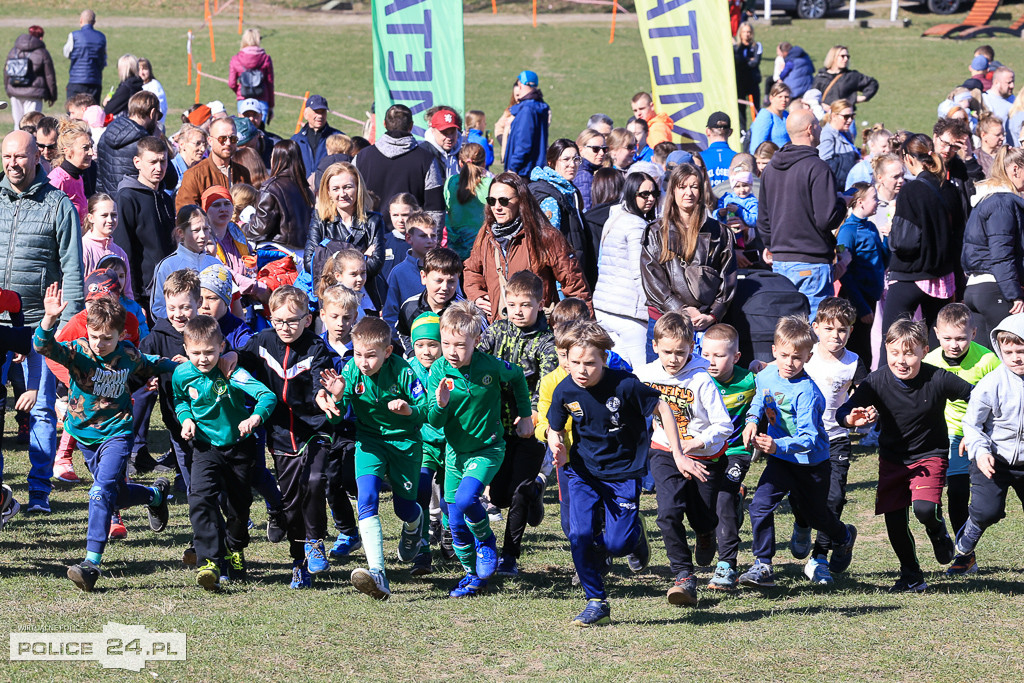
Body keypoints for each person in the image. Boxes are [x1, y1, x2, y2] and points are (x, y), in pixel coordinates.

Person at [548, 321, 706, 625]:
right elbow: (554, 426)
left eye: (590, 363)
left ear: (604, 359)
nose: (582, 370)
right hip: (582, 472)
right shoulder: (565, 389)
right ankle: (596, 602)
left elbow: (662, 408)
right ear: (566, 358)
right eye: (575, 362)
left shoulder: (625, 384)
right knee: (579, 536)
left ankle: (634, 535)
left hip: (623, 472)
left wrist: (678, 453)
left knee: (618, 545)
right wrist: (554, 440)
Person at [34, 283, 176, 592]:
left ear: (121, 335)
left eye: (107, 338)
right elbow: (44, 347)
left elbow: (151, 363)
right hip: (85, 435)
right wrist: (48, 319)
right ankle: (155, 496)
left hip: (118, 432)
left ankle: (91, 563)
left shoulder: (127, 354)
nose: (100, 343)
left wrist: (182, 365)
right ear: (87, 331)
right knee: (115, 493)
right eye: (95, 336)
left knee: (100, 492)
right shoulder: (79, 353)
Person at [838, 318, 973, 592]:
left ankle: (937, 531)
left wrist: (976, 430)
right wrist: (852, 419)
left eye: (909, 353)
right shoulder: (876, 381)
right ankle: (911, 575)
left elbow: (977, 396)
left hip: (930, 455)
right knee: (895, 521)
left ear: (924, 351)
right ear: (886, 349)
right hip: (893, 460)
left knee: (924, 509)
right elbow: (845, 411)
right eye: (895, 353)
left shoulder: (938, 377)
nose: (901, 360)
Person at [738, 316, 858, 589]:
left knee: (815, 515)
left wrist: (776, 445)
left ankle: (843, 536)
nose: (789, 363)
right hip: (781, 461)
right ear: (773, 351)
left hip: (811, 464)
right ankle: (763, 565)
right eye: (783, 356)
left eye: (797, 358)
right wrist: (752, 420)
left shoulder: (808, 392)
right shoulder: (767, 373)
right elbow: (760, 397)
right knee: (759, 506)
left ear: (808, 356)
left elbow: (810, 438)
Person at [1, 130, 84, 514]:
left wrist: (69, 330)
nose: (12, 164)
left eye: (19, 156)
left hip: (40, 324)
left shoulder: (58, 205)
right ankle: (2, 493)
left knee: (40, 408)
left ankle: (38, 495)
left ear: (37, 157)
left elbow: (72, 270)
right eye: (6, 157)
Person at [427, 301, 533, 598]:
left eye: (460, 345)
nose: (451, 351)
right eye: (446, 343)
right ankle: (473, 576)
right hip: (455, 454)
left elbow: (518, 378)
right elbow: (433, 420)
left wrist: (525, 414)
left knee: (465, 499)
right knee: (455, 520)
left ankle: (486, 541)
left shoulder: (491, 366)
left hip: (487, 449)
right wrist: (441, 403)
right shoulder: (438, 371)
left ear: (476, 341)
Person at [319, 316, 427, 600]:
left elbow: (425, 410)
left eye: (370, 356)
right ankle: (378, 574)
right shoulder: (351, 370)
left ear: (387, 352)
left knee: (405, 510)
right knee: (366, 499)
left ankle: (415, 526)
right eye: (357, 354)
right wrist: (339, 398)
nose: (363, 362)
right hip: (368, 442)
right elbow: (338, 415)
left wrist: (407, 410)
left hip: (404, 444)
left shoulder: (404, 371)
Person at [239, 286, 337, 589]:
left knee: (316, 481)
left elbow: (322, 374)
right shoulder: (262, 343)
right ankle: (299, 562)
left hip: (316, 426)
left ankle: (315, 542)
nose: (285, 328)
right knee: (291, 500)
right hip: (281, 433)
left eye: (292, 321)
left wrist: (323, 394)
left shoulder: (316, 347)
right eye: (278, 321)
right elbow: (239, 362)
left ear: (307, 319)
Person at [636, 312, 732, 605]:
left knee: (701, 513)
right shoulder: (645, 375)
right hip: (664, 450)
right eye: (667, 352)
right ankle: (683, 576)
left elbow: (724, 426)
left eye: (681, 351)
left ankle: (705, 532)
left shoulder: (702, 379)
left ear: (692, 346)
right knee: (667, 512)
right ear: (655, 347)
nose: (674, 358)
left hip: (706, 456)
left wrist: (695, 443)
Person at [174, 315, 275, 591]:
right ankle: (209, 560)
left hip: (239, 446)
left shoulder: (232, 371)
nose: (203, 359)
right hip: (205, 447)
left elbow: (267, 396)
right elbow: (181, 401)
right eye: (196, 353)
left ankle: (235, 549)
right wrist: (186, 420)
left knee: (239, 506)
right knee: (199, 499)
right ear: (185, 350)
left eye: (209, 352)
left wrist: (255, 417)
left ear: (222, 346)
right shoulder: (182, 374)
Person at [476, 271, 558, 577]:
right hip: (496, 427)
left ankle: (509, 556)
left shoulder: (547, 342)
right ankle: (537, 493)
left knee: (519, 491)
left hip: (529, 429)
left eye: (526, 304)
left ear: (540, 304)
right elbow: (478, 360)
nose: (518, 311)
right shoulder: (496, 331)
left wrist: (533, 415)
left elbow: (547, 384)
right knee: (497, 497)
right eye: (512, 304)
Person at [922, 303, 999, 565]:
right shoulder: (929, 361)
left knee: (957, 493)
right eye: (947, 338)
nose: (954, 344)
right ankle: (943, 536)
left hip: (970, 435)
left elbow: (999, 402)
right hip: (937, 435)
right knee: (928, 500)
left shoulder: (988, 361)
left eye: (961, 338)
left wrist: (978, 432)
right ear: (936, 334)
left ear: (974, 333)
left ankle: (965, 556)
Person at [463, 172, 591, 322]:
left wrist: (585, 332)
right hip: (498, 330)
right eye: (492, 200)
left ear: (520, 200)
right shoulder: (486, 234)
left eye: (504, 201)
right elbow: (471, 269)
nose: (497, 207)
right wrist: (476, 295)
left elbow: (575, 286)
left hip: (537, 332)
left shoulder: (545, 236)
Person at [640, 163, 737, 358]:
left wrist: (713, 314)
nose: (689, 193)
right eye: (682, 187)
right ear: (673, 190)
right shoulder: (656, 231)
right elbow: (652, 279)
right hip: (664, 321)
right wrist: (681, 309)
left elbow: (728, 280)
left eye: (694, 187)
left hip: (704, 324)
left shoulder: (721, 233)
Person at [801, 298, 866, 584]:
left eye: (842, 330)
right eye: (828, 328)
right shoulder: (805, 354)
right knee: (803, 497)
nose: (835, 335)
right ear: (815, 328)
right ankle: (803, 524)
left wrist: (865, 410)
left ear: (851, 331)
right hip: (803, 439)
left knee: (834, 497)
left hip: (836, 439)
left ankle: (819, 558)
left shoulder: (853, 363)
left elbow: (865, 394)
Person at [757, 109, 846, 318]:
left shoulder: (770, 169)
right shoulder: (817, 168)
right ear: (810, 129)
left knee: (787, 334)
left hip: (780, 262)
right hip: (811, 264)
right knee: (812, 335)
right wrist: (843, 202)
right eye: (818, 124)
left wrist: (773, 245)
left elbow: (763, 219)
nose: (821, 128)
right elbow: (827, 218)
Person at [953, 313, 1024, 575]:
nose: (1015, 357)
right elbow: (972, 424)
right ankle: (969, 534)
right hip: (993, 459)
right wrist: (980, 452)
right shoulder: (991, 384)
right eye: (1008, 351)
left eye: (1021, 350)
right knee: (987, 511)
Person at [881, 134, 964, 352]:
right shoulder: (950, 188)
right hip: (943, 279)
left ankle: (885, 386)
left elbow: (904, 242)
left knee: (892, 343)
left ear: (908, 158)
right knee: (938, 348)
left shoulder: (911, 189)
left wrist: (892, 235)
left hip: (910, 276)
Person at [699, 323, 757, 590]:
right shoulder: (697, 378)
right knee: (705, 506)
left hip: (736, 452)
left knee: (723, 498)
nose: (710, 362)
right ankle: (708, 529)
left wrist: (763, 367)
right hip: (705, 452)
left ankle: (727, 566)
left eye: (719, 356)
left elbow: (775, 375)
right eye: (705, 354)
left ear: (736, 357)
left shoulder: (750, 381)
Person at [593, 171, 659, 369]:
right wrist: (651, 305)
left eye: (654, 193)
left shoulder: (615, 217)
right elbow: (640, 271)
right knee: (642, 373)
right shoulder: (637, 226)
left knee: (616, 371)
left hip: (605, 308)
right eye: (644, 194)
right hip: (629, 312)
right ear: (631, 193)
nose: (650, 199)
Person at [962, 146, 1024, 346]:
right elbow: (1001, 254)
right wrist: (1014, 294)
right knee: (1013, 356)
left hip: (976, 289)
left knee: (985, 363)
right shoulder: (1002, 203)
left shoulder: (986, 200)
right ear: (1015, 169)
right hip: (996, 289)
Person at [402, 312, 446, 574]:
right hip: (423, 443)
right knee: (420, 489)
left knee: (451, 498)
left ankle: (452, 534)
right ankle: (422, 552)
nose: (426, 351)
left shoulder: (451, 368)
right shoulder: (407, 369)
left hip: (453, 442)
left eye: (433, 344)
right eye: (420, 345)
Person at [354, 104, 445, 230]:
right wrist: (432, 241)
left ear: (384, 124)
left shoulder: (361, 157)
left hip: (369, 238)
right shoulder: (427, 159)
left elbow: (350, 201)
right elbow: (435, 210)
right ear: (411, 126)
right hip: (413, 240)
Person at [113, 135, 176, 313]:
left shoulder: (165, 198)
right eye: (153, 162)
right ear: (137, 162)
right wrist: (133, 298)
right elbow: (124, 251)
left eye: (163, 161)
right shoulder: (127, 198)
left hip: (170, 290)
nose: (159, 168)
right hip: (144, 293)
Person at [305, 161, 385, 284]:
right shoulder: (320, 219)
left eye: (347, 187)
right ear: (328, 192)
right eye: (335, 189)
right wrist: (361, 256)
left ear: (358, 187)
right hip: (330, 293)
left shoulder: (374, 221)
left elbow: (375, 264)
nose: (342, 194)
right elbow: (310, 262)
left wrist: (329, 256)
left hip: (365, 292)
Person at [529, 139, 593, 287]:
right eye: (566, 159)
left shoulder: (568, 190)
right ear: (551, 162)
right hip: (560, 281)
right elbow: (550, 246)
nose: (572, 164)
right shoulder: (549, 198)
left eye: (576, 159)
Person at [836, 182, 886, 368]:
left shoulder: (871, 227)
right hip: (855, 300)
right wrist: (862, 308)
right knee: (857, 350)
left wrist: (888, 239)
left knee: (865, 349)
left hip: (870, 297)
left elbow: (883, 261)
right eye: (874, 198)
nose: (878, 201)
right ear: (860, 202)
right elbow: (845, 274)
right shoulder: (848, 231)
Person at [150, 206, 221, 319]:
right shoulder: (168, 265)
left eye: (206, 229)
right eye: (196, 230)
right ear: (180, 232)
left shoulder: (215, 264)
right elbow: (157, 310)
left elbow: (225, 304)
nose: (203, 235)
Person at [245, 139, 313, 251]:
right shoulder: (305, 188)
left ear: (277, 159)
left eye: (272, 157)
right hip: (304, 251)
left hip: (278, 251)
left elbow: (260, 228)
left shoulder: (271, 187)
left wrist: (242, 227)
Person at [176, 116, 252, 212]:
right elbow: (185, 215)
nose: (228, 143)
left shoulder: (243, 173)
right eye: (222, 138)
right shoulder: (194, 175)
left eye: (233, 138)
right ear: (210, 141)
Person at [395, 247, 462, 355]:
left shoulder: (465, 311)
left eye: (451, 281)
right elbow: (404, 333)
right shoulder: (410, 307)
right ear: (424, 277)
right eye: (438, 281)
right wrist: (412, 353)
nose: (445, 287)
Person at [95, 90, 160, 195]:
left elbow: (99, 178)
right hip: (135, 205)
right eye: (159, 116)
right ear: (152, 113)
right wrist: (157, 141)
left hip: (110, 206)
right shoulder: (145, 143)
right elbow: (170, 179)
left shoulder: (107, 133)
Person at [382, 212, 437, 332]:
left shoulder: (444, 269)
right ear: (408, 238)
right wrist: (404, 343)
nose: (430, 240)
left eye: (433, 235)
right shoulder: (398, 273)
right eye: (423, 236)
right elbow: (390, 315)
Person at [443, 142, 491, 261]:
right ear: (484, 163)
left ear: (460, 162)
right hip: (481, 247)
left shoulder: (451, 182)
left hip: (455, 247)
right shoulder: (490, 184)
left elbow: (446, 209)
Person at [4, 26, 57, 128]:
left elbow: (6, 71)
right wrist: (52, 96)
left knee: (18, 123)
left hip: (15, 91)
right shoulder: (42, 52)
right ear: (40, 37)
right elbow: (49, 76)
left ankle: (18, 142)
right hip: (34, 93)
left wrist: (8, 89)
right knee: (32, 123)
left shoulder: (14, 50)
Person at [504, 70, 549, 178]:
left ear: (520, 85)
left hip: (523, 172)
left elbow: (523, 143)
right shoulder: (539, 106)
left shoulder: (527, 110)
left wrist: (512, 168)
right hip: (533, 171)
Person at [47, 118, 93, 222]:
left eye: (91, 147)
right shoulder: (57, 181)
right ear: (67, 150)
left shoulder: (78, 177)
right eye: (85, 148)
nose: (91, 152)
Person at [811, 45, 878, 112]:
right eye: (842, 56)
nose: (846, 59)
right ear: (833, 57)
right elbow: (812, 97)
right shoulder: (821, 77)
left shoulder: (852, 76)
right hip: (825, 116)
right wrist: (822, 105)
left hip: (846, 116)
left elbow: (872, 83)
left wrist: (863, 97)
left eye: (847, 57)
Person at [228, 28, 274, 124]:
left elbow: (232, 83)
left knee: (244, 132)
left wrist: (239, 91)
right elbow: (270, 83)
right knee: (260, 133)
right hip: (262, 99)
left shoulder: (236, 59)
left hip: (243, 99)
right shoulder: (266, 59)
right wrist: (271, 105)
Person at [292, 94, 340, 178]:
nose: (320, 116)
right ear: (306, 114)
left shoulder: (338, 139)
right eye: (316, 111)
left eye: (323, 112)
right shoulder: (296, 140)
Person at [63, 9, 106, 102]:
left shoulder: (74, 35)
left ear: (81, 20)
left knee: (73, 111)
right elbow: (103, 59)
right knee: (92, 112)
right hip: (94, 80)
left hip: (76, 80)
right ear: (94, 22)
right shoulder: (101, 37)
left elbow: (66, 53)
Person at [818, 99, 860, 189]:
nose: (850, 120)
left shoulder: (845, 132)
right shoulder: (827, 135)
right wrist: (853, 159)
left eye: (852, 116)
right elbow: (825, 164)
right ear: (833, 116)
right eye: (846, 116)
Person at [844, 125, 891, 189]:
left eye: (890, 145)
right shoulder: (861, 170)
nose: (888, 149)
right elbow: (856, 195)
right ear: (872, 146)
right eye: (884, 146)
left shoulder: (893, 165)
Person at [748, 82, 791, 153]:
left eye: (786, 97)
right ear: (771, 98)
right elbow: (756, 146)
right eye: (780, 97)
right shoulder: (765, 115)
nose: (783, 100)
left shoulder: (786, 115)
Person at [574, 129, 607, 212]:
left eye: (604, 149)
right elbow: (586, 211)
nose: (602, 153)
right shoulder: (584, 176)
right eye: (595, 149)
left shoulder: (586, 171)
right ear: (580, 150)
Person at [423, 107, 461, 179]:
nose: (449, 138)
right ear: (433, 131)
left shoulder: (464, 152)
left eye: (452, 132)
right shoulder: (423, 153)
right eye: (444, 133)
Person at [170, 124, 208, 190]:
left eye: (204, 144)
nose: (203, 149)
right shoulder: (171, 169)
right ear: (182, 144)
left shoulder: (204, 167)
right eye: (197, 143)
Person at [703, 113, 737, 186]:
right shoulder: (738, 158)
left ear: (708, 131)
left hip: (708, 197)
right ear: (730, 132)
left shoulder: (698, 158)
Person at [137, 58, 167, 124]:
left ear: (149, 70)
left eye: (144, 69)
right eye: (139, 69)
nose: (141, 72)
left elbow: (161, 107)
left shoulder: (155, 86)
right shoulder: (136, 86)